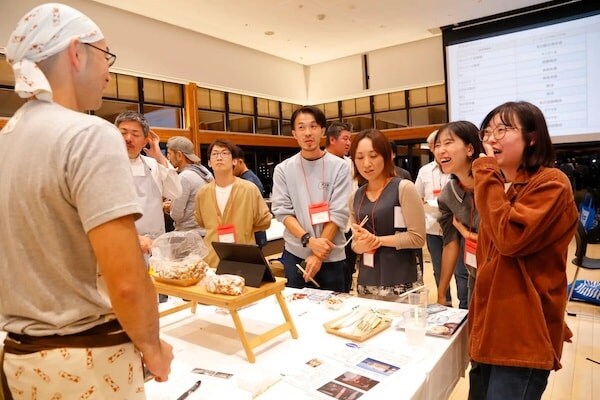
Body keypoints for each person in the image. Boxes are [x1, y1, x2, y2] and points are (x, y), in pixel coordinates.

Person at [0, 4, 172, 398]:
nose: (109, 74)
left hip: (21, 361)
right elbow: (126, 280)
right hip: (87, 360)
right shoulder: (88, 134)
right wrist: (153, 347)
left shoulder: (6, 139)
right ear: (76, 52)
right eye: (105, 56)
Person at [468, 101, 578, 400]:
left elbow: (510, 239)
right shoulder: (502, 185)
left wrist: (485, 171)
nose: (491, 138)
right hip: (490, 327)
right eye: (487, 131)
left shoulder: (551, 183)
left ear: (531, 138)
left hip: (522, 335)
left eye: (502, 130)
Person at [271, 106, 352, 292]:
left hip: (331, 255)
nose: (307, 133)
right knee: (297, 306)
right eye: (301, 127)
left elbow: (339, 213)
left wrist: (318, 254)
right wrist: (309, 240)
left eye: (313, 126)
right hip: (296, 255)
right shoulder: (283, 169)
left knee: (334, 306)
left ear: (322, 131)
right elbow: (283, 212)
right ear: (294, 133)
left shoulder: (340, 167)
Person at [349, 129, 426, 300]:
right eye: (359, 157)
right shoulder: (355, 197)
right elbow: (355, 244)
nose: (366, 163)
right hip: (367, 281)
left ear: (386, 156)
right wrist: (360, 245)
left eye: (373, 156)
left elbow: (417, 238)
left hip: (401, 280)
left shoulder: (404, 188)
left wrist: (377, 240)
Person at [195, 139, 272, 267]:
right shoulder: (202, 193)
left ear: (234, 161)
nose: (219, 157)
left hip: (243, 257)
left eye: (224, 153)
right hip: (213, 259)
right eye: (215, 154)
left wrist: (244, 228)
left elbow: (264, 221)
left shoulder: (249, 189)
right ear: (209, 162)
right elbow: (201, 221)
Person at [116, 110, 182, 253]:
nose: (128, 138)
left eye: (135, 134)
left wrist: (158, 156)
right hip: (122, 245)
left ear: (145, 141)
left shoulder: (153, 164)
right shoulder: (105, 166)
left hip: (155, 246)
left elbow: (176, 192)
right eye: (123, 133)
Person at [433, 121, 482, 309]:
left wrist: (468, 234)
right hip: (475, 277)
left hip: (506, 278)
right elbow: (450, 243)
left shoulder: (494, 183)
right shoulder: (448, 194)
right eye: (438, 145)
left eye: (448, 143)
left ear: (470, 149)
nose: (441, 150)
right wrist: (441, 293)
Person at [414, 130, 453, 305]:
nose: (440, 149)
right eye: (436, 145)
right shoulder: (424, 171)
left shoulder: (456, 168)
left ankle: (466, 308)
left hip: (455, 227)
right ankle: (446, 304)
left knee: (461, 272)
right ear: (431, 148)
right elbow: (417, 196)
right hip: (432, 227)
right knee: (438, 269)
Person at [325, 121, 357, 292]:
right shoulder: (322, 162)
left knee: (349, 268)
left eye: (349, 139)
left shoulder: (350, 163)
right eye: (345, 138)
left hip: (350, 224)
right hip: (329, 225)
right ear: (332, 140)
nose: (348, 143)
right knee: (333, 270)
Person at [165, 136, 213, 233]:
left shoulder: (184, 177)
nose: (168, 158)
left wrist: (170, 207)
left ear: (179, 155)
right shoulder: (204, 172)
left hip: (189, 235)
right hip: (205, 232)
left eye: (169, 154)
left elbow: (177, 215)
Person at [232, 145, 268, 248]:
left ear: (240, 162)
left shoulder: (248, 181)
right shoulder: (249, 178)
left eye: (233, 165)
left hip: (252, 234)